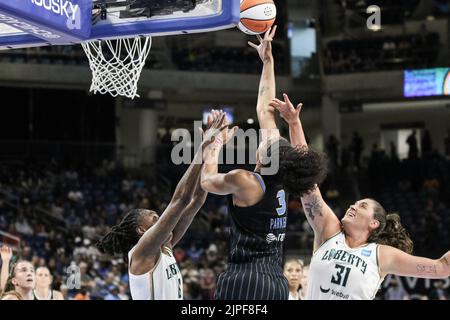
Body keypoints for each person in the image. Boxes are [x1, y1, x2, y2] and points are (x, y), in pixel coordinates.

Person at [270, 94, 450, 300]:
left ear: (374, 223)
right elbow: (306, 177)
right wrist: (294, 124)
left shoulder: (381, 255)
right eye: (354, 203)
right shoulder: (329, 232)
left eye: (362, 205)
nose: (352, 206)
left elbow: (441, 268)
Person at [201, 27, 328, 300]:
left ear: (263, 156)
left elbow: (206, 181)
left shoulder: (246, 181)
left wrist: (215, 144)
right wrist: (268, 61)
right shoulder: (288, 175)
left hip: (245, 279)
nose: (265, 138)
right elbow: (265, 110)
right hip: (276, 282)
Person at [96, 112, 223, 300]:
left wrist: (215, 148)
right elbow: (181, 200)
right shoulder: (141, 252)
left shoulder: (165, 247)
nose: (163, 220)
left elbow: (197, 200)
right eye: (156, 219)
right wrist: (202, 149)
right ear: (141, 230)